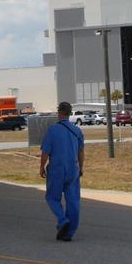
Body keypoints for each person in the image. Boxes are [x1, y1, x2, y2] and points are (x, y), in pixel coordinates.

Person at [39, 101, 84, 241]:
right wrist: (81, 168)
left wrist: (41, 167)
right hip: (73, 169)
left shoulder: (52, 130)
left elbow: (45, 151)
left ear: (59, 113)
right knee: (73, 200)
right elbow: (81, 152)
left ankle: (62, 220)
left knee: (52, 197)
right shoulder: (77, 131)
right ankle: (69, 233)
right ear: (70, 113)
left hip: (57, 169)